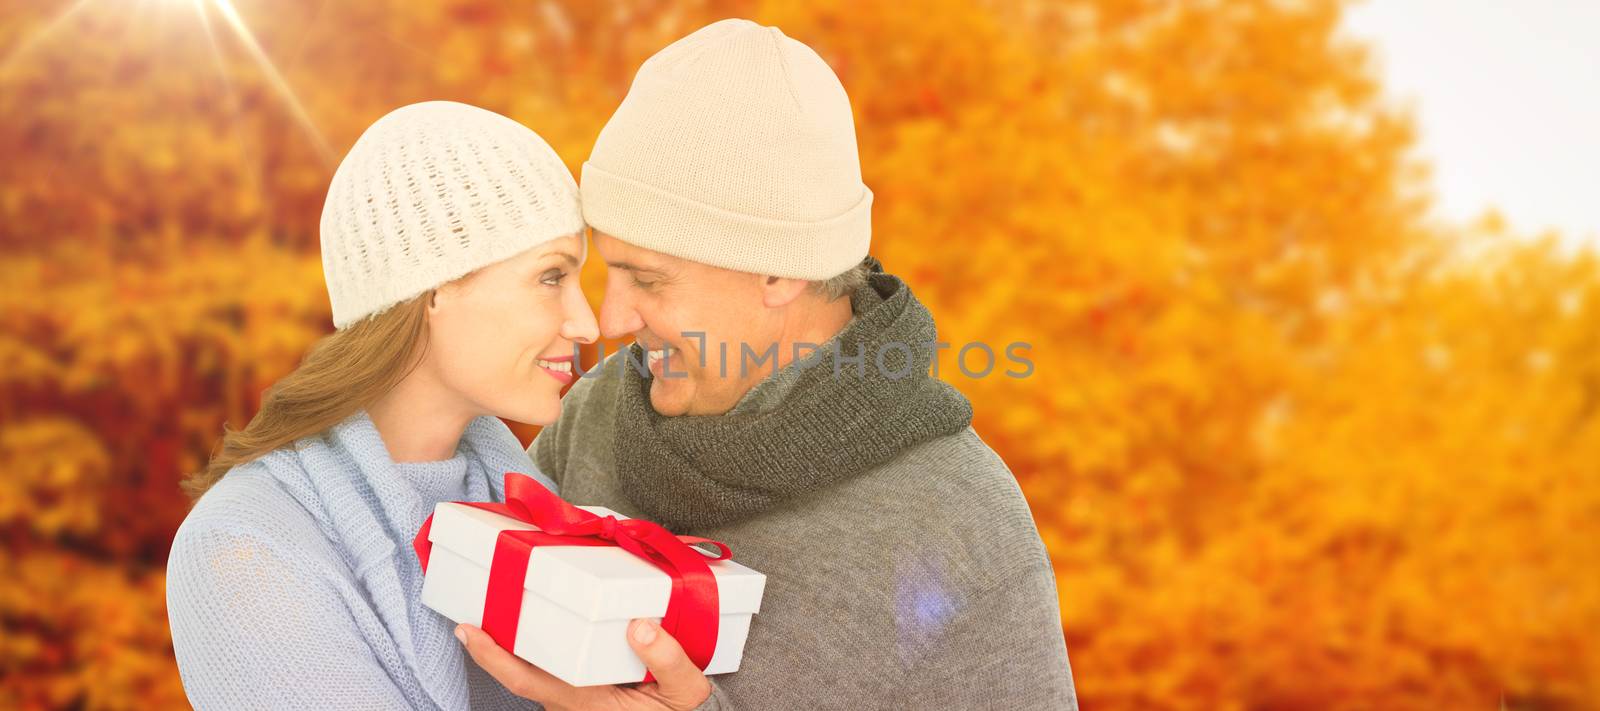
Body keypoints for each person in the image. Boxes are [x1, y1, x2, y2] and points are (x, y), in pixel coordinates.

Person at [456, 19, 1080, 711]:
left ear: (781, 271)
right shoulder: (598, 413)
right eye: (610, 269)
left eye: (649, 280)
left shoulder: (961, 522)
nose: (611, 321)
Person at [165, 100, 612, 710]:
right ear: (433, 289)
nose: (587, 324)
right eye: (552, 277)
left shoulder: (527, 504)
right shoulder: (247, 545)